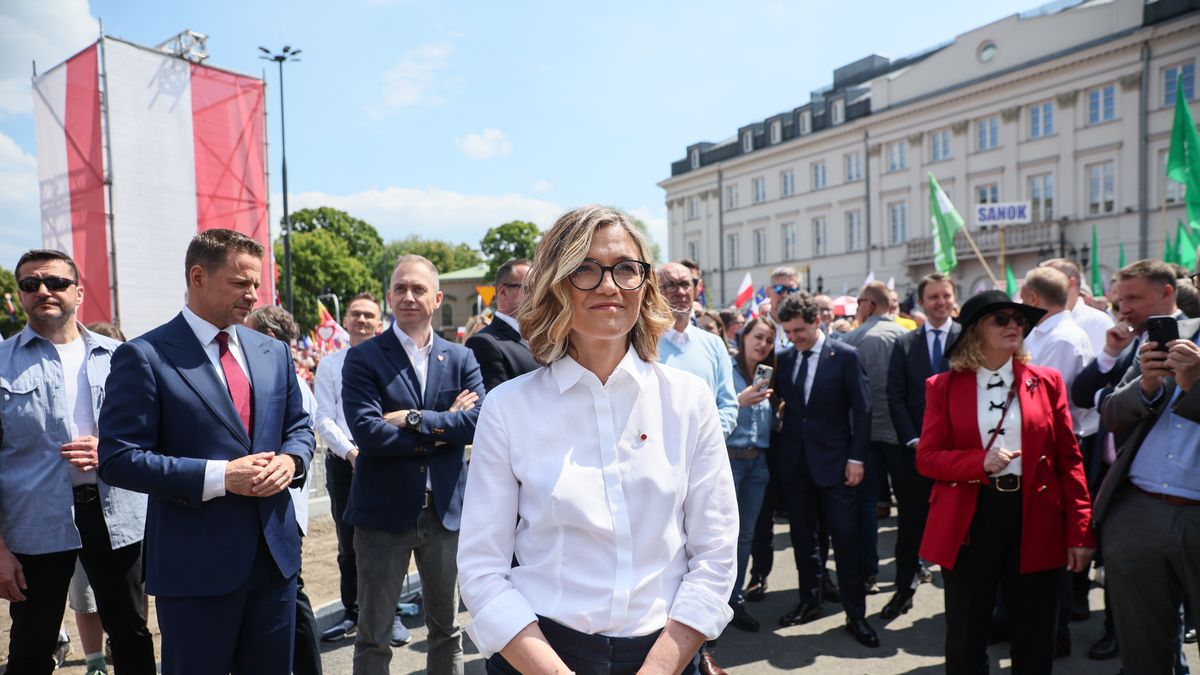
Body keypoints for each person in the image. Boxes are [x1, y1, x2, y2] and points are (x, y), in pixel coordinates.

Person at [457, 205, 737, 675]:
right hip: (540, 655)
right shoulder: (509, 408)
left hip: (666, 655)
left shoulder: (688, 400)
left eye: (626, 268)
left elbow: (714, 552)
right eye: (585, 269)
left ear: (645, 283)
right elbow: (483, 570)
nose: (609, 284)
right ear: (556, 283)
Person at [99, 230, 313, 675]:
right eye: (241, 283)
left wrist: (292, 461)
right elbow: (118, 458)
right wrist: (219, 477)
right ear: (198, 277)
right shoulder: (145, 355)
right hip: (195, 566)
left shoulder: (271, 350)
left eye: (256, 284)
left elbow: (298, 427)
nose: (253, 295)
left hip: (274, 560)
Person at [917, 290, 1095, 673]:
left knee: (1036, 632)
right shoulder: (942, 386)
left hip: (1036, 515)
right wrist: (977, 462)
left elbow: (1070, 460)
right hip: (971, 517)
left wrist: (1080, 531)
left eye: (1020, 320)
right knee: (966, 633)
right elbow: (927, 458)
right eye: (1002, 319)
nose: (1014, 325)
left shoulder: (1047, 382)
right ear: (974, 332)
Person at [0, 250, 154, 675]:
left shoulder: (121, 355)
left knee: (132, 633)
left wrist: (108, 449)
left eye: (56, 283)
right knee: (31, 644)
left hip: (116, 513)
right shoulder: (2, 362)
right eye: (31, 285)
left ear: (79, 292)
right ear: (21, 294)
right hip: (35, 522)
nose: (43, 291)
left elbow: (150, 433)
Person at [341, 254, 484, 675]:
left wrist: (416, 419)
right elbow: (368, 434)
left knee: (447, 630)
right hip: (382, 516)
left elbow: (477, 423)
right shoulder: (364, 358)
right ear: (389, 296)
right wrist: (445, 431)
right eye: (400, 288)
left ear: (437, 298)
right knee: (374, 636)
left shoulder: (460, 359)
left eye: (418, 288)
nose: (408, 296)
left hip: (444, 516)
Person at [1069, 259, 1182, 663]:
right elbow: (1094, 400)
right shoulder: (1135, 342)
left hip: (1186, 505)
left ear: (1166, 292)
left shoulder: (1186, 338)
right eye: (1120, 298)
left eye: (1133, 297)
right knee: (1142, 625)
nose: (1123, 307)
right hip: (1129, 491)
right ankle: (1116, 633)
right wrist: (1117, 360)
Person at [1095, 296, 1200, 674]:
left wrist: (1194, 386)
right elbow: (1110, 413)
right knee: (1143, 652)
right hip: (1138, 511)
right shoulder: (1175, 334)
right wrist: (1148, 385)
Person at [773, 293, 877, 648]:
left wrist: (857, 459)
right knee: (804, 540)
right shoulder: (785, 358)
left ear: (816, 320)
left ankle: (856, 614)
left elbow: (862, 411)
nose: (793, 337)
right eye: (787, 331)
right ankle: (810, 601)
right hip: (796, 465)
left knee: (846, 541)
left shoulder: (845, 356)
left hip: (837, 466)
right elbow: (788, 405)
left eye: (799, 330)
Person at [656, 261, 739, 675]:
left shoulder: (712, 344)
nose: (678, 292)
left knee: (708, 554)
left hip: (704, 466)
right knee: (668, 555)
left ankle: (700, 647)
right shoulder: (645, 341)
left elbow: (728, 403)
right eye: (668, 285)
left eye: (685, 284)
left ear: (697, 288)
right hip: (658, 468)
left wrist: (708, 439)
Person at [313, 292, 407, 645]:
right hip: (345, 464)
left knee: (393, 540)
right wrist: (351, 453)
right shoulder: (330, 365)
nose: (362, 320)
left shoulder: (392, 362)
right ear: (346, 321)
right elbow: (323, 416)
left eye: (369, 315)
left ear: (380, 322)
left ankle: (391, 612)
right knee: (348, 542)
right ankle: (353, 611)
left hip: (386, 461)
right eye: (356, 315)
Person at [244, 305, 322, 675]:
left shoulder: (286, 380)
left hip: (281, 507)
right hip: (274, 504)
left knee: (293, 596)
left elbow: (300, 436)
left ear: (269, 338)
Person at [883, 272, 960, 621]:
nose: (941, 302)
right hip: (915, 454)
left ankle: (962, 603)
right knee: (911, 528)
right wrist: (914, 440)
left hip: (961, 457)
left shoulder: (969, 337)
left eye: (946, 296)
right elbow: (894, 396)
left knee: (961, 531)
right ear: (922, 303)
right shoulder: (905, 343)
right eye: (934, 297)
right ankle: (903, 591)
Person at [839, 281, 908, 597]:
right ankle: (912, 567)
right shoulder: (906, 337)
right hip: (901, 434)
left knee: (867, 506)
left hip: (863, 436)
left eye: (858, 304)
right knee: (908, 506)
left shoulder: (852, 339)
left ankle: (868, 570)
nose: (855, 310)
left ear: (867, 304)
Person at [723, 316, 777, 635]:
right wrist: (740, 402)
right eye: (758, 337)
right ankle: (712, 603)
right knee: (719, 536)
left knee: (745, 536)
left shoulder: (768, 375)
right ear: (743, 337)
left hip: (758, 463)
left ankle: (734, 601)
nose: (762, 344)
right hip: (729, 461)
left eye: (769, 340)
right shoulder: (726, 368)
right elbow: (714, 411)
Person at [466, 258, 538, 393]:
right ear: (503, 292)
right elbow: (498, 404)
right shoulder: (483, 342)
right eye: (529, 287)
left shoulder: (548, 336)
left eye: (540, 287)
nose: (537, 293)